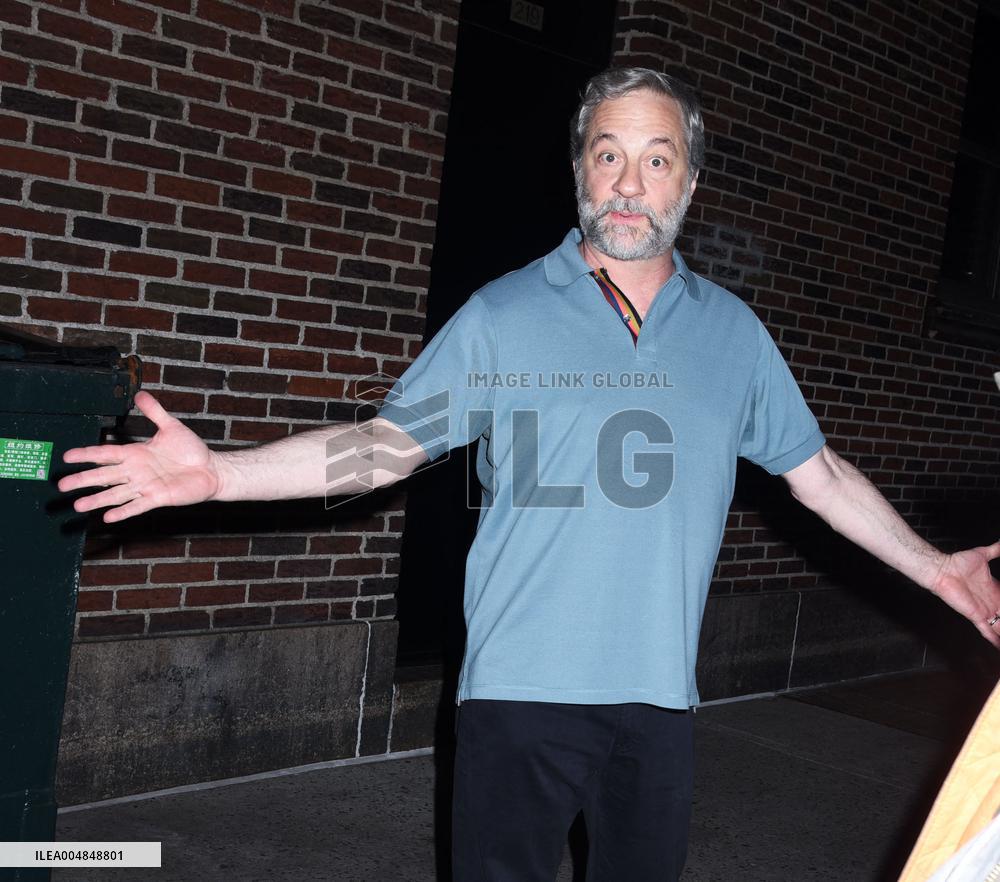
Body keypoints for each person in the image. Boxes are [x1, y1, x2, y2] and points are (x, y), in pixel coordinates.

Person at [58, 67, 1000, 882]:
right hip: (518, 694)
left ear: (690, 182)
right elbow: (385, 447)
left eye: (657, 159)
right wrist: (220, 475)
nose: (629, 183)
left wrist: (936, 569)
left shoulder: (734, 335)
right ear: (580, 169)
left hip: (660, 700)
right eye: (608, 154)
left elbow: (820, 473)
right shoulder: (503, 316)